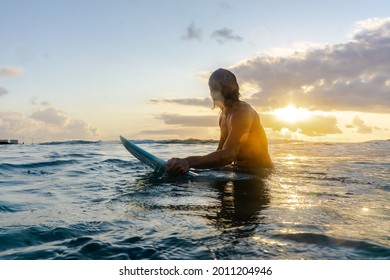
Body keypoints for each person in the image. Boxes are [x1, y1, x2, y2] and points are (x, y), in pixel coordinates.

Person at [166, 68, 272, 176]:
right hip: (239, 172)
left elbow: (228, 155)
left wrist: (188, 162)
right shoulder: (223, 115)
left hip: (259, 173)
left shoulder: (242, 112)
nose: (213, 93)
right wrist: (193, 170)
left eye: (214, 89)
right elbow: (221, 153)